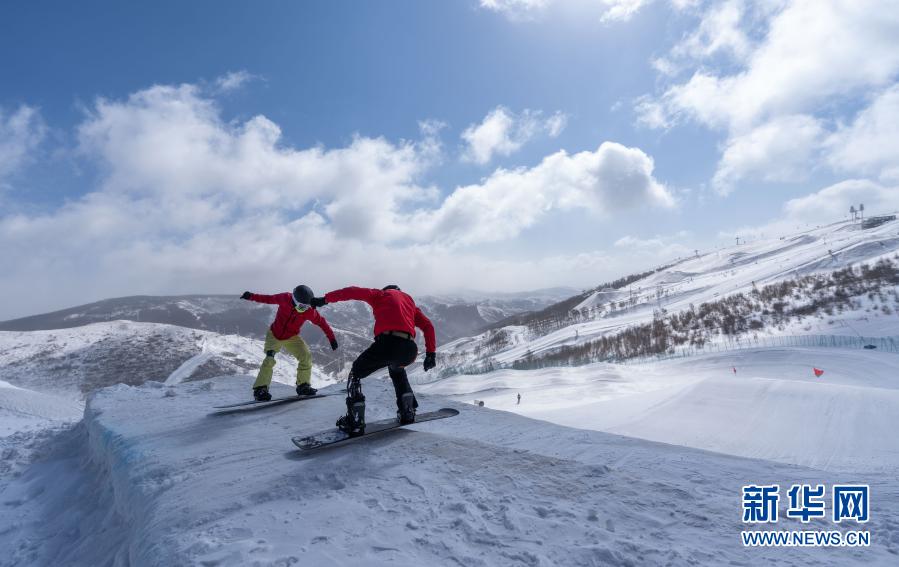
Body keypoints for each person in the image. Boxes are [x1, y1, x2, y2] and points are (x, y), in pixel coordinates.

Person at [310, 284, 436, 435]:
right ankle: (407, 411)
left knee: (355, 373)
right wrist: (431, 354)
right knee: (397, 370)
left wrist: (325, 299)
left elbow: (352, 292)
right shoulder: (410, 303)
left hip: (386, 343)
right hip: (409, 349)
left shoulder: (380, 295)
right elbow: (428, 326)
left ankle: (355, 422)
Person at [240, 285, 338, 401]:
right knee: (269, 358)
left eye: (307, 306)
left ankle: (303, 386)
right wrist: (251, 296)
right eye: (302, 306)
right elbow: (267, 299)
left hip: (291, 337)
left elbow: (322, 323)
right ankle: (260, 389)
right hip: (274, 334)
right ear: (294, 300)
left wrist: (332, 338)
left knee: (305, 356)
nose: (305, 309)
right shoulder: (284, 298)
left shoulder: (309, 312)